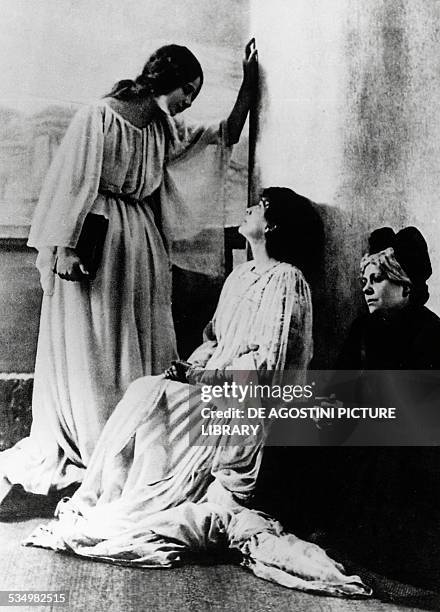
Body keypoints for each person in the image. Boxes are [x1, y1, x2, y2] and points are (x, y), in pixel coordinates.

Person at [23, 188, 370, 598]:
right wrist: (190, 368)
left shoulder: (287, 280)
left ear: (271, 225)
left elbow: (268, 364)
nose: (248, 209)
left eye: (257, 207)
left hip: (247, 405)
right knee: (146, 391)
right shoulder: (241, 276)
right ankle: (120, 498)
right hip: (216, 386)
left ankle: (139, 502)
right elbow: (213, 338)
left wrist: (206, 378)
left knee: (158, 401)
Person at [0, 41, 258, 508]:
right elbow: (74, 182)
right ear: (164, 78)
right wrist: (66, 247)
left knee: (141, 336)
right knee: (98, 338)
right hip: (95, 240)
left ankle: (137, 433)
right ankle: (100, 437)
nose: (188, 102)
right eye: (187, 90)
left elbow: (224, 134)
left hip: (141, 242)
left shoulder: (164, 128)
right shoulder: (100, 116)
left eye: (194, 96)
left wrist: (247, 83)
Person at [316, 226, 440, 590]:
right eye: (364, 280)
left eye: (379, 279)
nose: (367, 288)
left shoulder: (430, 331)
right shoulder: (364, 327)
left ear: (406, 284)